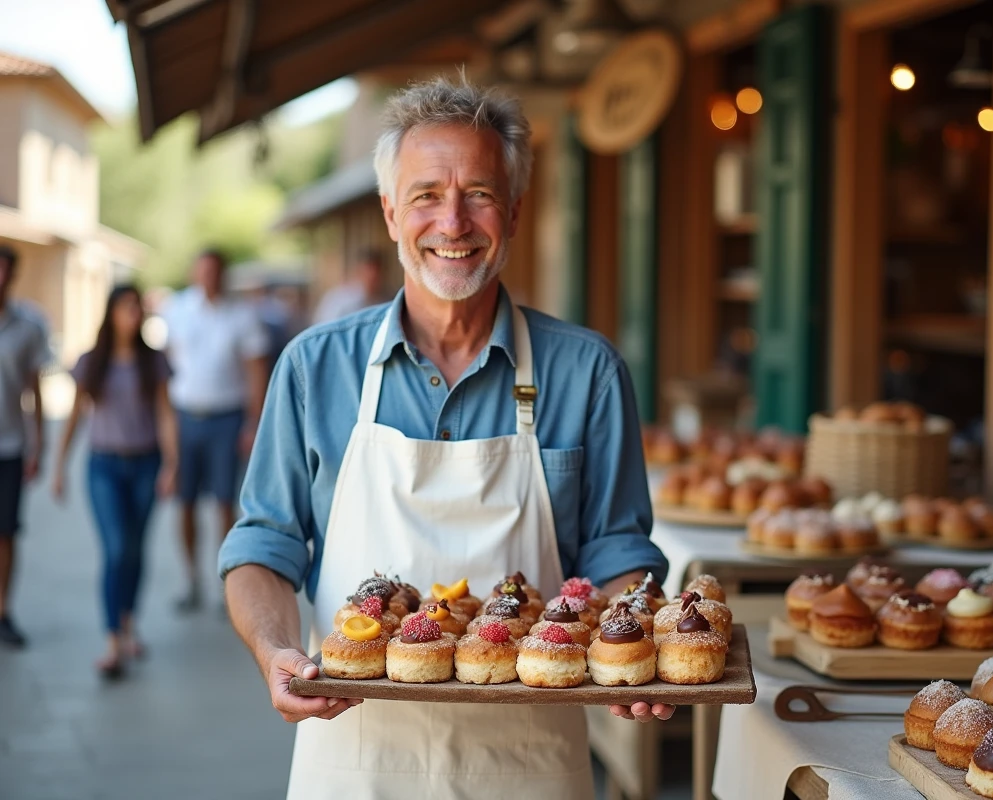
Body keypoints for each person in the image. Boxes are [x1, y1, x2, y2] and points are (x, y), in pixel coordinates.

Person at [219, 76, 670, 800]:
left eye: (480, 194)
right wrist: (275, 650)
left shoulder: (587, 371)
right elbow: (263, 546)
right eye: (427, 193)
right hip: (352, 755)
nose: (453, 221)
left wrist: (633, 633)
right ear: (391, 212)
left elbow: (617, 549)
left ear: (515, 212)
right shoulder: (314, 367)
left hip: (529, 763)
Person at [53, 285, 178, 677]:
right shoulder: (92, 361)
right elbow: (75, 414)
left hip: (145, 463)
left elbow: (164, 413)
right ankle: (112, 639)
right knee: (116, 548)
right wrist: (60, 465)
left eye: (138, 308)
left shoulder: (153, 360)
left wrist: (172, 464)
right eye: (127, 308)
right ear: (110, 312)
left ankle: (128, 624)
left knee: (136, 549)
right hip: (103, 466)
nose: (134, 315)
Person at [161, 249, 269, 612]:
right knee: (186, 501)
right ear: (194, 273)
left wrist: (253, 423)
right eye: (202, 270)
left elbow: (256, 370)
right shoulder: (177, 309)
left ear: (222, 275)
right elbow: (166, 364)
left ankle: (227, 582)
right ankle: (190, 578)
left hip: (227, 417)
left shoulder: (241, 315)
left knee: (225, 502)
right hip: (185, 415)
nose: (208, 277)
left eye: (214, 271)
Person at [0, 245, 51, 648]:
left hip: (10, 445)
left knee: (6, 533)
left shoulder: (28, 325)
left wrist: (39, 446)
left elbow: (35, 390)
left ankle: (3, 610)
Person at [310, 249, 389, 324]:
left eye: (376, 273)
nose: (372, 277)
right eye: (368, 271)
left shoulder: (385, 299)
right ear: (358, 270)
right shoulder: (338, 299)